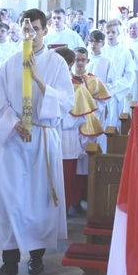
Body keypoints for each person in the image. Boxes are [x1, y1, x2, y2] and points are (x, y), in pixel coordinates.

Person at [0, 8, 74, 275]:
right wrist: (13, 123)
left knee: (38, 200)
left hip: (42, 139)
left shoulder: (56, 63)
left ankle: (36, 256)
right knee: (9, 198)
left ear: (45, 31)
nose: (31, 34)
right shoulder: (9, 65)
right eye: (26, 29)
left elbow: (67, 102)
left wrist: (39, 79)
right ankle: (9, 261)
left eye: (35, 29)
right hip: (14, 140)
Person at [54, 47, 103, 216]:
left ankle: (66, 208)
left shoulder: (77, 87)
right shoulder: (47, 83)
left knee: (67, 177)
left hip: (67, 138)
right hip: (49, 138)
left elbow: (82, 117)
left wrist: (59, 119)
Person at [101, 20, 136, 129]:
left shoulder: (124, 52)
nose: (110, 35)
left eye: (113, 32)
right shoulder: (101, 51)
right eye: (107, 32)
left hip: (116, 93)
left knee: (113, 122)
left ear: (118, 33)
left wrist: (114, 88)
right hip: (100, 92)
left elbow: (129, 74)